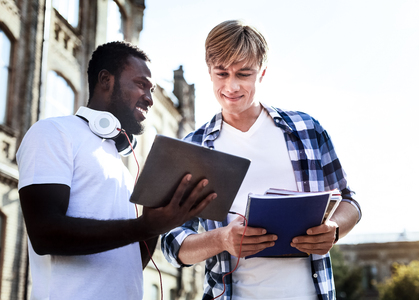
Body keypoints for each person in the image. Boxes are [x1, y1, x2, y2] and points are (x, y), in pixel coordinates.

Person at [161, 20, 362, 300]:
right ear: (209, 72)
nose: (231, 86)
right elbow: (172, 243)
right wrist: (221, 239)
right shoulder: (194, 148)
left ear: (262, 73)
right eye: (221, 73)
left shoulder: (307, 130)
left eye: (244, 74)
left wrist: (335, 229)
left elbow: (349, 202)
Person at [17, 41, 216, 300]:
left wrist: (156, 221)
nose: (150, 98)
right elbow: (44, 234)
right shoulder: (53, 133)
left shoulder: (122, 166)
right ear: (105, 80)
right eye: (141, 84)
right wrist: (143, 226)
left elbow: (130, 262)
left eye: (153, 89)